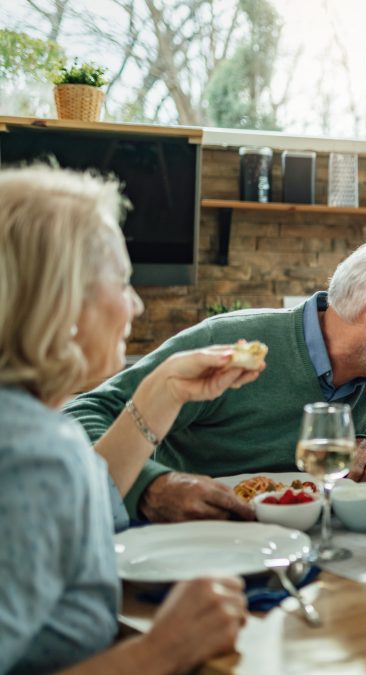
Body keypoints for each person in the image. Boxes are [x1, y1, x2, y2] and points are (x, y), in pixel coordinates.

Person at [0, 165, 251, 674]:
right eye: (123, 280)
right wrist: (163, 650)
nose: (135, 303)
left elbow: (81, 506)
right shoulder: (34, 453)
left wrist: (165, 390)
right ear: (63, 300)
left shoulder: (25, 427)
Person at [65, 229, 366, 523]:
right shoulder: (228, 343)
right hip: (187, 544)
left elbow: (363, 454)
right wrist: (150, 486)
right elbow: (80, 417)